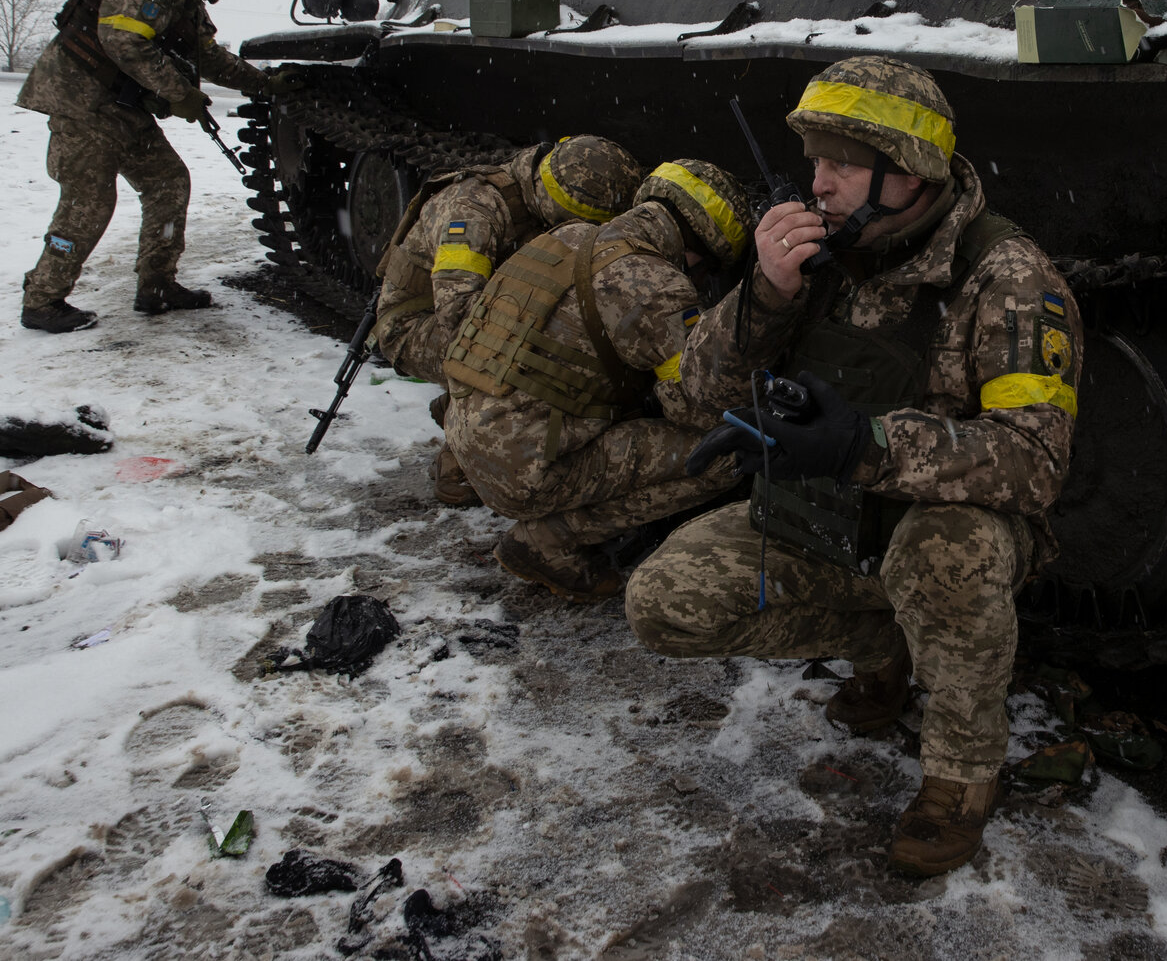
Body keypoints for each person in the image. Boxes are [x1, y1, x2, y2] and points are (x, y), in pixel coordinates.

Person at [625, 56, 1083, 878]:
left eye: (839, 161)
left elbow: (1035, 460)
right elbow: (696, 396)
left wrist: (863, 445)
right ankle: (891, 645)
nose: (818, 182)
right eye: (813, 161)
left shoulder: (1007, 279)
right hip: (831, 520)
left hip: (940, 529)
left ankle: (961, 771)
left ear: (905, 172)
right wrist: (765, 294)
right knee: (662, 603)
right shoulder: (824, 253)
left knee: (945, 550)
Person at [442, 159, 757, 600]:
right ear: (696, 249)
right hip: (522, 473)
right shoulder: (654, 284)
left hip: (466, 438)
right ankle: (549, 540)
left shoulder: (566, 235)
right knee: (724, 454)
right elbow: (697, 409)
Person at [15, 0, 272, 333]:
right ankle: (42, 300)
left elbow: (205, 55)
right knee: (89, 202)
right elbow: (123, 40)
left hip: (121, 109)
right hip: (85, 106)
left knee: (168, 182)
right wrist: (180, 94)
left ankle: (157, 285)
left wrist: (266, 84)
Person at [371, 135, 643, 504]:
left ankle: (467, 411)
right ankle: (462, 461)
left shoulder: (533, 187)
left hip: (486, 310)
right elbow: (458, 316)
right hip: (416, 324)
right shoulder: (472, 212)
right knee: (541, 364)